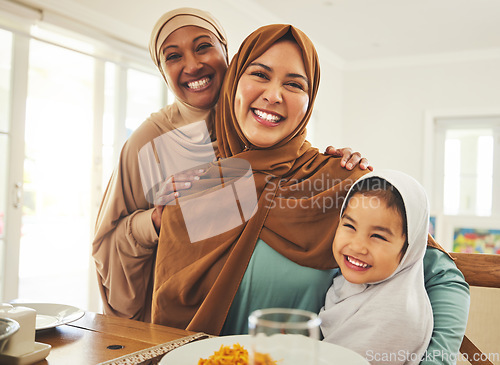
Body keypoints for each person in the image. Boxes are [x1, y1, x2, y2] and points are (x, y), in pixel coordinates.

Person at [151, 23, 469, 365]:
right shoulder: (194, 189)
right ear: (234, 84)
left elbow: (443, 276)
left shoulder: (339, 182)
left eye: (294, 84)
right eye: (260, 74)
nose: (274, 95)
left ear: (310, 99)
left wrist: (435, 363)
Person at [92, 8, 368, 323]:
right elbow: (109, 243)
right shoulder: (151, 144)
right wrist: (159, 219)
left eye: (202, 47)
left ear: (227, 54)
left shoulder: (320, 171)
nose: (193, 65)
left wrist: (336, 172)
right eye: (172, 56)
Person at [319, 170, 433, 364]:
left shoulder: (395, 315)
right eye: (349, 226)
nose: (357, 246)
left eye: (378, 236)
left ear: (409, 248)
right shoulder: (344, 285)